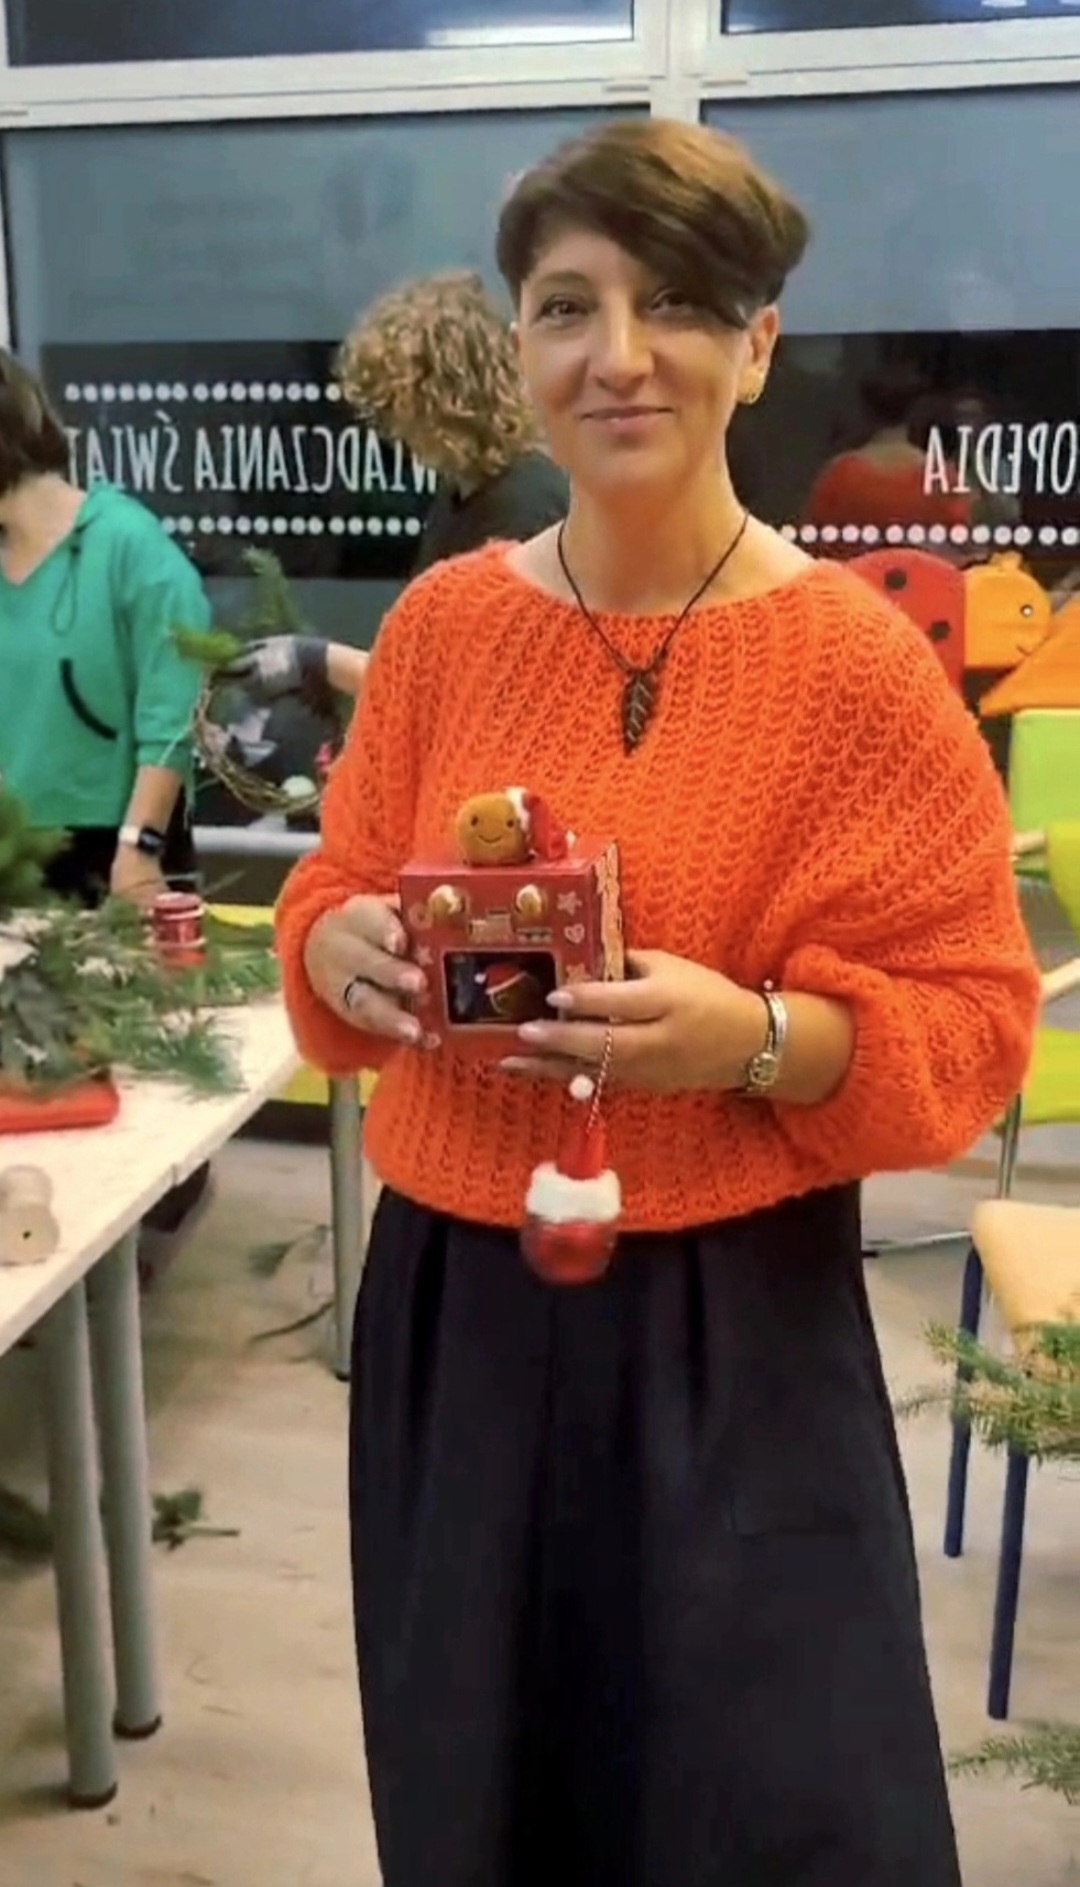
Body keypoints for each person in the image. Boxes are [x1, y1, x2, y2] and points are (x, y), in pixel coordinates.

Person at [275, 119, 1039, 1887]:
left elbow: (971, 1024)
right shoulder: (447, 628)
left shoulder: (856, 666)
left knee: (767, 1804)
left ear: (758, 346)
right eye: (569, 305)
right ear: (521, 347)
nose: (619, 354)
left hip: (734, 1331)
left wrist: (754, 1040)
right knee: (484, 1780)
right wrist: (330, 951)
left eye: (677, 303)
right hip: (460, 1309)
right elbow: (335, 882)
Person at [227, 269, 567, 710]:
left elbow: (462, 689)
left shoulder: (528, 507)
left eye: (397, 410)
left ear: (447, 401)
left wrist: (319, 661)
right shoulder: (458, 496)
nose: (390, 433)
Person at [0, 349, 209, 910]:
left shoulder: (131, 548)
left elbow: (173, 715)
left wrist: (140, 849)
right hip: (10, 854)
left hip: (115, 852)